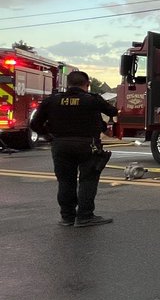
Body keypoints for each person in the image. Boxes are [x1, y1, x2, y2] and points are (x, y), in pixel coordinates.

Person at [29, 70, 118, 227]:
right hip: (87, 146)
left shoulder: (52, 101)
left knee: (65, 181)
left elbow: (34, 124)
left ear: (68, 84)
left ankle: (67, 217)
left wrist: (50, 137)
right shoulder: (92, 100)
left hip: (60, 145)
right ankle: (85, 216)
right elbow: (112, 111)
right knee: (88, 180)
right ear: (87, 84)